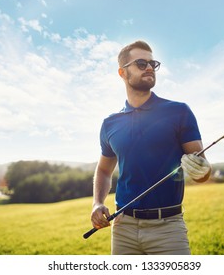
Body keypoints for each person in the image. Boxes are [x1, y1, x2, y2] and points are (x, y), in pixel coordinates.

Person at [90, 40, 211, 255]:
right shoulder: (110, 123)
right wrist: (97, 203)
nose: (149, 68)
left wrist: (203, 171)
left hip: (168, 228)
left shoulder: (179, 111)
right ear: (122, 72)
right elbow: (104, 170)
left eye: (152, 64)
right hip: (123, 228)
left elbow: (201, 168)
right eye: (141, 63)